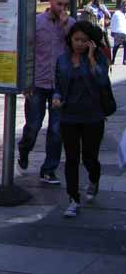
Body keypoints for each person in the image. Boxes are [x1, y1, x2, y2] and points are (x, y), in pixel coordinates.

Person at [53, 21, 111, 217]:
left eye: (84, 41)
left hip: (93, 117)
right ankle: (73, 199)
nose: (79, 43)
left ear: (91, 43)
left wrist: (93, 58)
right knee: (70, 158)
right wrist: (56, 97)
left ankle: (94, 179)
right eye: (76, 39)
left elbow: (103, 81)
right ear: (70, 40)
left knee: (89, 157)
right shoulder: (62, 60)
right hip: (69, 116)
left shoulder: (97, 59)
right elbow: (58, 86)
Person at [18, 0, 75, 184]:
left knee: (56, 129)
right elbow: (26, 51)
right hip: (38, 83)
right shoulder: (36, 22)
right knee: (33, 125)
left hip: (59, 85)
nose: (61, 8)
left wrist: (66, 25)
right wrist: (26, 82)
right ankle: (24, 149)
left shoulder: (70, 25)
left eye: (65, 5)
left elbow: (75, 47)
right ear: (50, 2)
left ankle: (49, 169)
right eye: (59, 4)